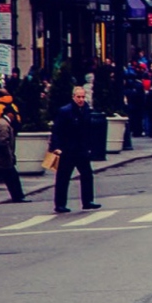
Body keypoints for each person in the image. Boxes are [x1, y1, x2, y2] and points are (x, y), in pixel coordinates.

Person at [50, 84, 102, 212]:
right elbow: (57, 130)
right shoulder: (65, 111)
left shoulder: (86, 110)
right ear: (73, 97)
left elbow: (88, 130)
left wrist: (89, 147)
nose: (81, 99)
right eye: (78, 97)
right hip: (67, 149)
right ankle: (60, 204)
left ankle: (88, 201)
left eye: (83, 97)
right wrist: (56, 147)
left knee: (87, 175)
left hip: (81, 149)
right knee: (63, 177)